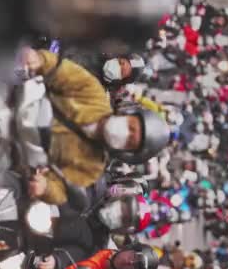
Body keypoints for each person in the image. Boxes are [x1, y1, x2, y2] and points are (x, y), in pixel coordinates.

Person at [20, 47, 170, 205]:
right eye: (131, 126)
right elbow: (64, 71)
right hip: (21, 100)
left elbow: (62, 189)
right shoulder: (95, 94)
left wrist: (45, 188)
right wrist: (40, 59)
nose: (125, 133)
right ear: (128, 115)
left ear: (128, 152)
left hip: (18, 151)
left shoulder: (92, 168)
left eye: (131, 140)